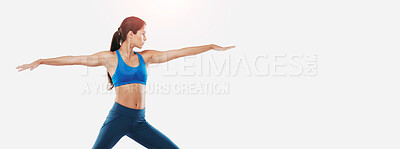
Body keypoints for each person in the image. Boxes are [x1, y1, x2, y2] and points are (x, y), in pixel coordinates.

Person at [16, 16, 235, 149]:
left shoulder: (146, 57)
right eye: (143, 33)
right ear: (131, 35)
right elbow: (74, 59)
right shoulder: (109, 58)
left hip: (140, 122)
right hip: (119, 118)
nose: (146, 38)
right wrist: (42, 60)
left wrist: (211, 46)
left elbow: (178, 52)